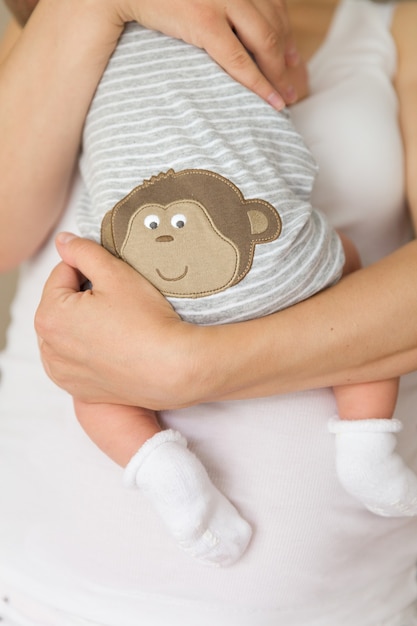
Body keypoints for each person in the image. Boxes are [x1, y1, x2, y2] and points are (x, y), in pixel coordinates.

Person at [1, 1, 417, 625]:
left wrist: (192, 367)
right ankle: (171, 467)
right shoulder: (70, 23)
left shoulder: (394, 26)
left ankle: (364, 446)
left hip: (352, 604)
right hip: (59, 597)